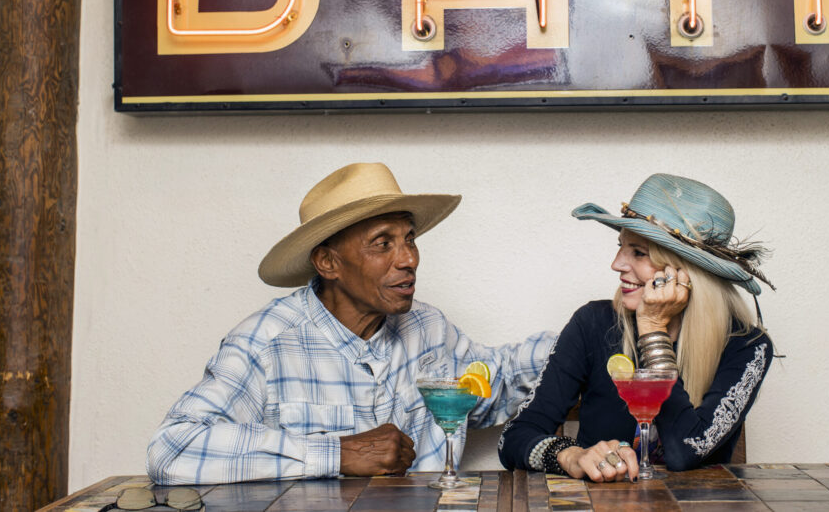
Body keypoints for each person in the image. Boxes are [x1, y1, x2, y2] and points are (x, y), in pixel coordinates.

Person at [147, 162, 554, 485]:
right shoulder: (266, 343)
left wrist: (601, 329)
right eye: (383, 243)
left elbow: (497, 377)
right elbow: (173, 449)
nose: (408, 258)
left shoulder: (428, 329)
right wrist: (339, 454)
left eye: (409, 238)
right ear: (328, 263)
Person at [498, 173, 774, 481]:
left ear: (687, 272)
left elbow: (684, 453)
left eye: (639, 252)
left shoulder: (747, 345)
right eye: (621, 246)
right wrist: (571, 455)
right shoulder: (592, 323)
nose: (617, 263)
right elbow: (514, 438)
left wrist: (652, 329)